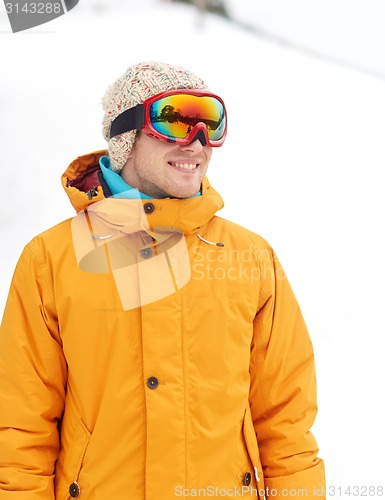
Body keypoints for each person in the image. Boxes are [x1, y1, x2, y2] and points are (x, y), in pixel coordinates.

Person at [0, 61, 326, 499]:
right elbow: (20, 427)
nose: (197, 143)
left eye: (210, 123)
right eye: (174, 119)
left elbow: (286, 422)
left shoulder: (251, 258)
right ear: (125, 136)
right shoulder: (50, 260)